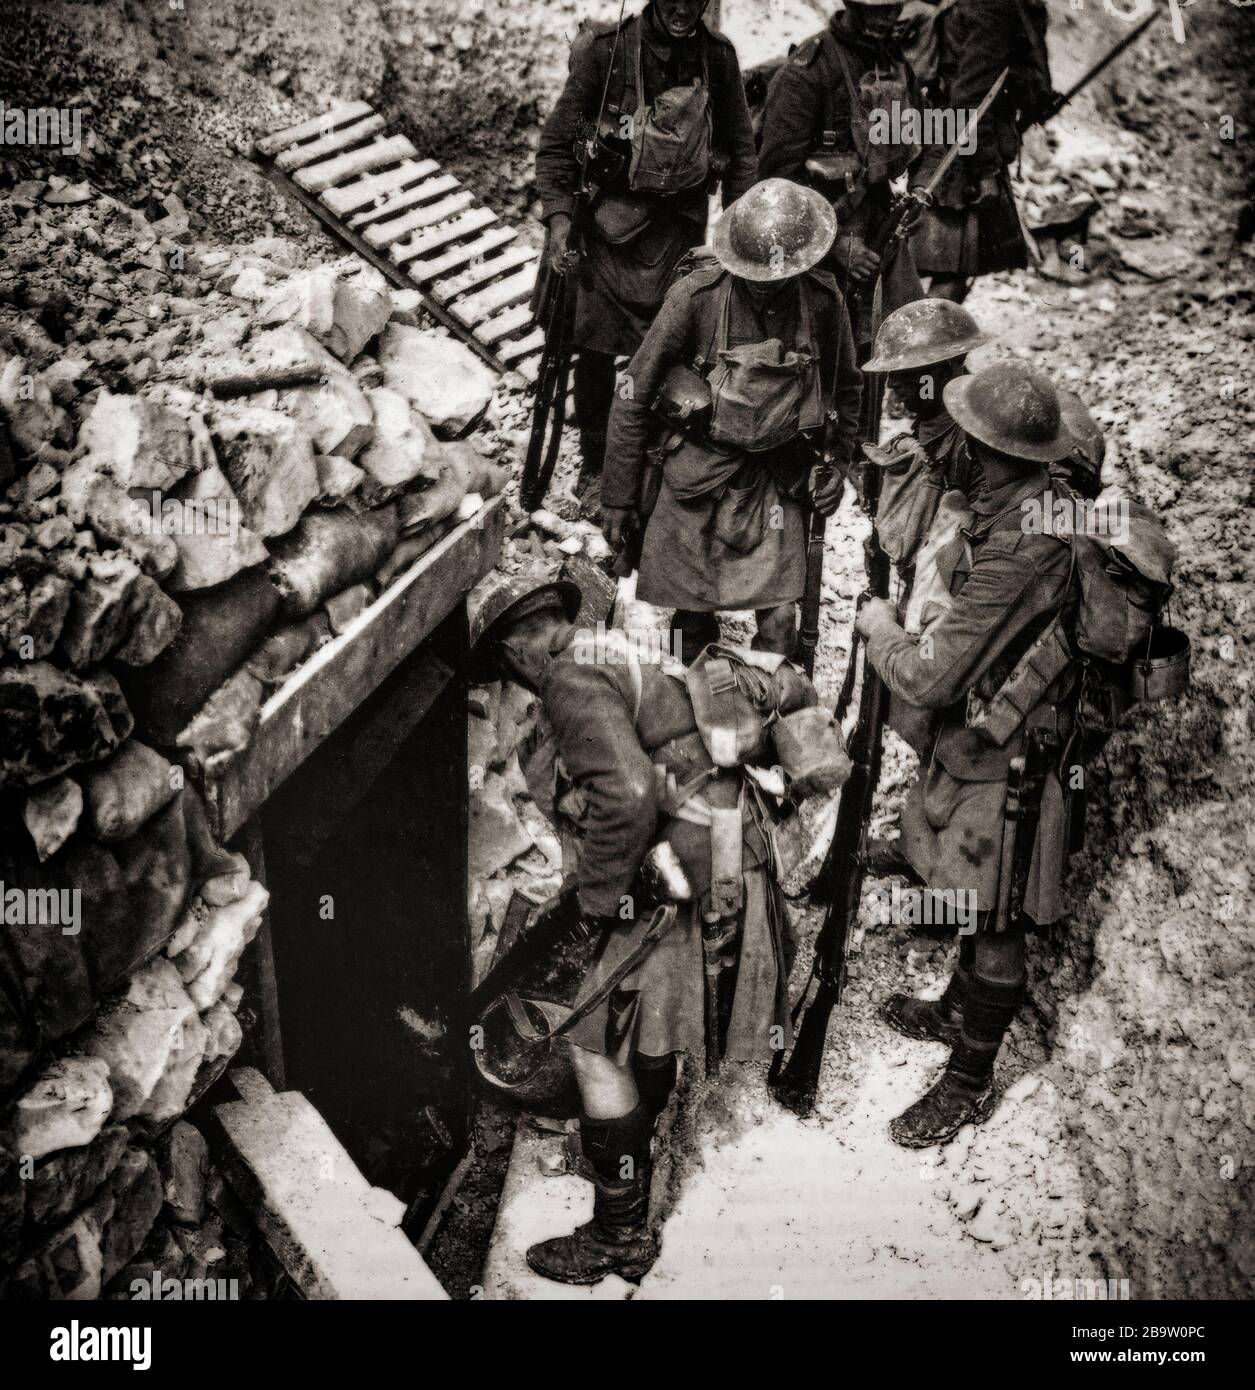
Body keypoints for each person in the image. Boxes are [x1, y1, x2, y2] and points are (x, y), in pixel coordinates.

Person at [467, 571, 820, 1283]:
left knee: (595, 1048)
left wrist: (596, 905)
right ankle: (630, 1146)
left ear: (514, 650)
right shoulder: (610, 649)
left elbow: (627, 795)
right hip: (721, 850)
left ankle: (618, 1237)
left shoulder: (567, 680)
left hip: (684, 874)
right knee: (637, 1026)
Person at [853, 361, 1079, 1147]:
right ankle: (954, 1008)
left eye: (967, 447)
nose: (954, 458)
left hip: (1015, 753)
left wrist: (877, 625)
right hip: (982, 734)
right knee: (967, 887)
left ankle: (969, 1082)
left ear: (993, 453)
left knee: (996, 916)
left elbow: (929, 671)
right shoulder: (1015, 503)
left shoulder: (1028, 543)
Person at [600, 177, 860, 661]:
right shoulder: (695, 297)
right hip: (695, 475)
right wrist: (617, 495)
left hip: (777, 478)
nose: (770, 283)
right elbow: (632, 390)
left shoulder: (823, 302)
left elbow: (847, 392)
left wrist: (838, 466)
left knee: (781, 627)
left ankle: (763, 721)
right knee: (692, 628)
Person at [534, 0, 758, 512]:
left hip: (679, 235)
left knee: (671, 355)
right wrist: (559, 224)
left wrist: (741, 226)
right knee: (591, 352)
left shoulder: (716, 57)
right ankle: (595, 465)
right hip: (606, 232)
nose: (683, 10)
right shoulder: (606, 52)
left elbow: (741, 149)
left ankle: (651, 466)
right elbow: (557, 146)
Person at [757, 0, 926, 356]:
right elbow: (775, 180)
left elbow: (931, 135)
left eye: (894, 9)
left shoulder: (892, 63)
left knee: (880, 355)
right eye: (878, 10)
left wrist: (921, 191)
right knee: (820, 364)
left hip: (878, 234)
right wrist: (832, 244)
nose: (888, 18)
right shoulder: (810, 69)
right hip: (811, 247)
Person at [910, 0, 1055, 303]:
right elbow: (970, 100)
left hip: (953, 138)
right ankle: (924, 347)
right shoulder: (993, 9)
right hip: (959, 150)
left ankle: (929, 345)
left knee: (956, 271)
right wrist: (985, 169)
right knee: (951, 272)